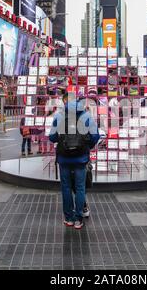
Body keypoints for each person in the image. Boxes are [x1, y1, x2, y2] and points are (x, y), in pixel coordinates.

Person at [49, 93, 99, 230]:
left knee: (65, 187)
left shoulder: (59, 116)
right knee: (80, 187)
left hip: (64, 158)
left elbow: (52, 137)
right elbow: (96, 136)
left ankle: (68, 218)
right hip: (81, 158)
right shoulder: (87, 115)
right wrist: (87, 146)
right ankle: (78, 219)